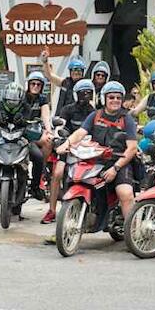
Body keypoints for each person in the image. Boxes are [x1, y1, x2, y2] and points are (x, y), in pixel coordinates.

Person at [56, 81, 139, 231]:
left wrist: (115, 168)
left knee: (125, 192)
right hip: (96, 160)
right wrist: (66, 144)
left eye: (118, 98)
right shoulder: (95, 115)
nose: (115, 100)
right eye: (111, 97)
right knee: (75, 179)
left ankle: (133, 232)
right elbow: (80, 133)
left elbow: (132, 148)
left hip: (120, 162)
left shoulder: (127, 119)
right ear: (104, 98)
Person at [44, 77, 99, 223]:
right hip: (69, 148)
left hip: (87, 150)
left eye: (88, 93)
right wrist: (60, 136)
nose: (85, 96)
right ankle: (52, 210)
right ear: (75, 94)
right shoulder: (67, 109)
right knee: (57, 173)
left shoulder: (95, 112)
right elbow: (60, 126)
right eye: (82, 93)